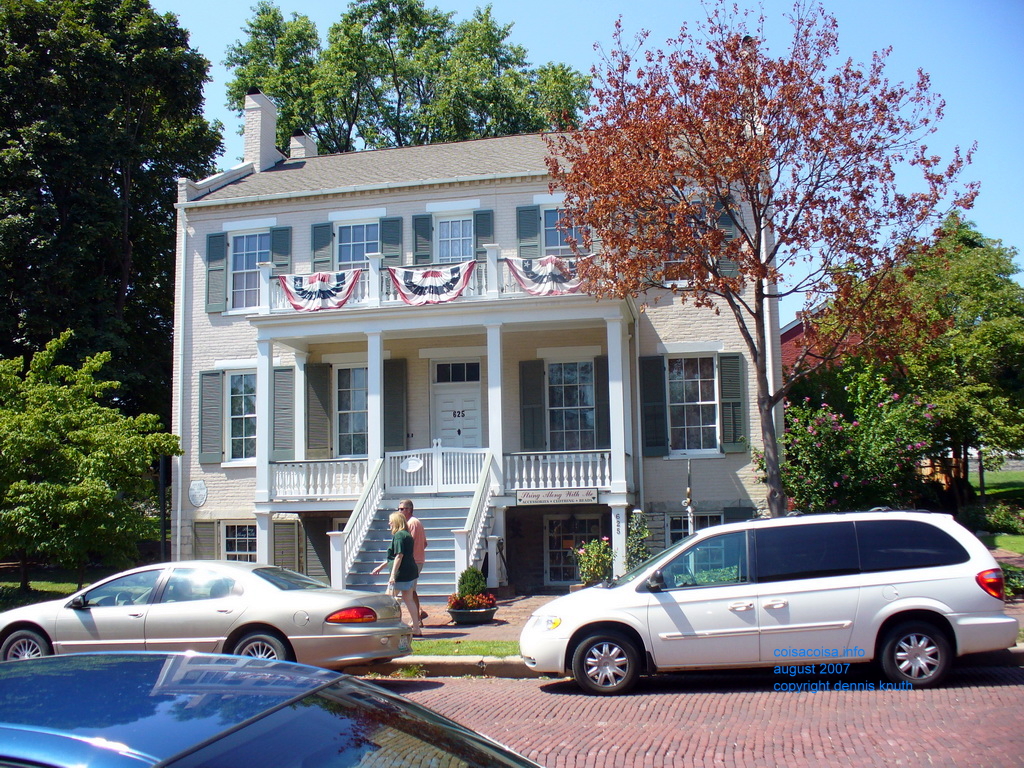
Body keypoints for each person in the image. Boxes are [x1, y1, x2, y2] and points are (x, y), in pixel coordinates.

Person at [371, 512, 421, 636]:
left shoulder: (398, 536)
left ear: (396, 522)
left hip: (401, 573)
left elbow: (399, 556)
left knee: (387, 600)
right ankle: (416, 627)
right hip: (410, 571)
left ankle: (390, 626)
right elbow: (396, 556)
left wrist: (393, 575)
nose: (389, 523)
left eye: (391, 521)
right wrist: (381, 567)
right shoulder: (407, 535)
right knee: (409, 599)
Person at [399, 499, 429, 623]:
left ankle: (417, 619)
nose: (399, 511)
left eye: (402, 509)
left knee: (409, 591)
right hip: (416, 560)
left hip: (413, 561)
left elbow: (408, 544)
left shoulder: (412, 523)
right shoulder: (415, 522)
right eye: (399, 509)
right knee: (411, 591)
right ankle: (419, 614)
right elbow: (425, 543)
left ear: (409, 509)